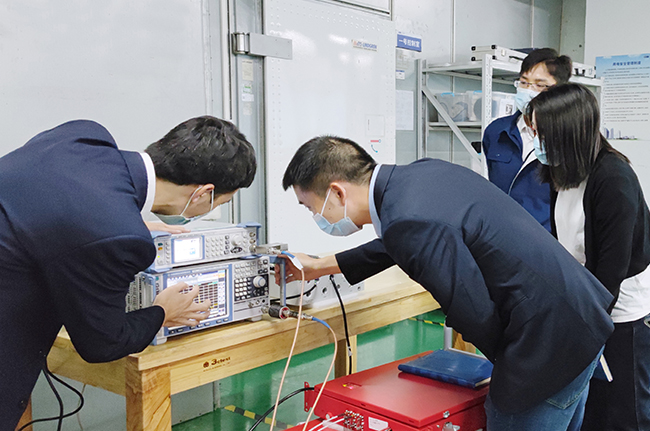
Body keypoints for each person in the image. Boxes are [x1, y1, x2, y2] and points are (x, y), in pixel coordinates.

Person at [279, 136, 615, 430]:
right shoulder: (418, 176)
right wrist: (320, 266)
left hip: (547, 343)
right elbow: (399, 239)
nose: (316, 217)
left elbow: (473, 312)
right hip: (578, 314)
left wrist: (508, 370)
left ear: (337, 192)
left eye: (311, 207)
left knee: (507, 411)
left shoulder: (407, 220)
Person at [0, 116, 257, 428]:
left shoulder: (83, 135)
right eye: (217, 203)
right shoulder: (119, 235)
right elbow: (102, 344)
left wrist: (124, 219)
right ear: (203, 193)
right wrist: (163, 312)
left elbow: (50, 196)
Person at [527, 83, 650, 431]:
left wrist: (581, 328)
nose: (537, 142)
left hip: (620, 310)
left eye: (541, 133)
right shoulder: (563, 172)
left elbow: (611, 270)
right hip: (586, 302)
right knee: (592, 408)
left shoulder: (614, 178)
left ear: (567, 131)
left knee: (627, 410)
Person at [482, 48, 572, 231]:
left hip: (549, 238)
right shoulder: (497, 131)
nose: (529, 90)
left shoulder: (569, 137)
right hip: (501, 234)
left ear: (559, 90)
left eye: (540, 85)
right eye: (523, 82)